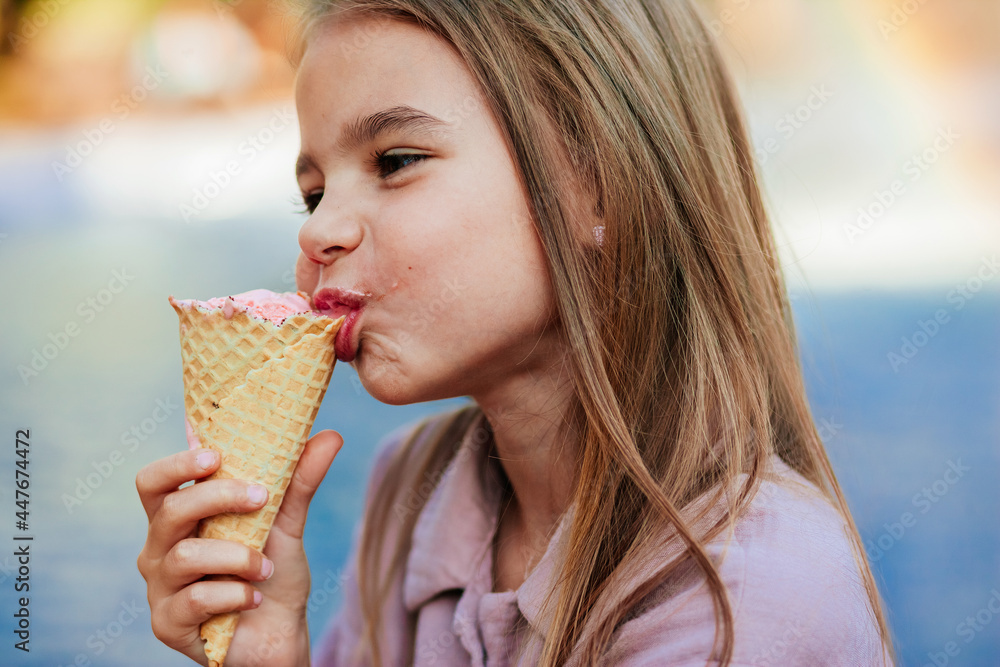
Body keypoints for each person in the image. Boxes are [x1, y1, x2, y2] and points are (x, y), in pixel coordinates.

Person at [137, 0, 898, 665]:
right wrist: (270, 654)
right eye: (313, 194)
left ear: (599, 181)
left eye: (395, 161)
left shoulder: (749, 587)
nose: (322, 230)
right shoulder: (416, 490)